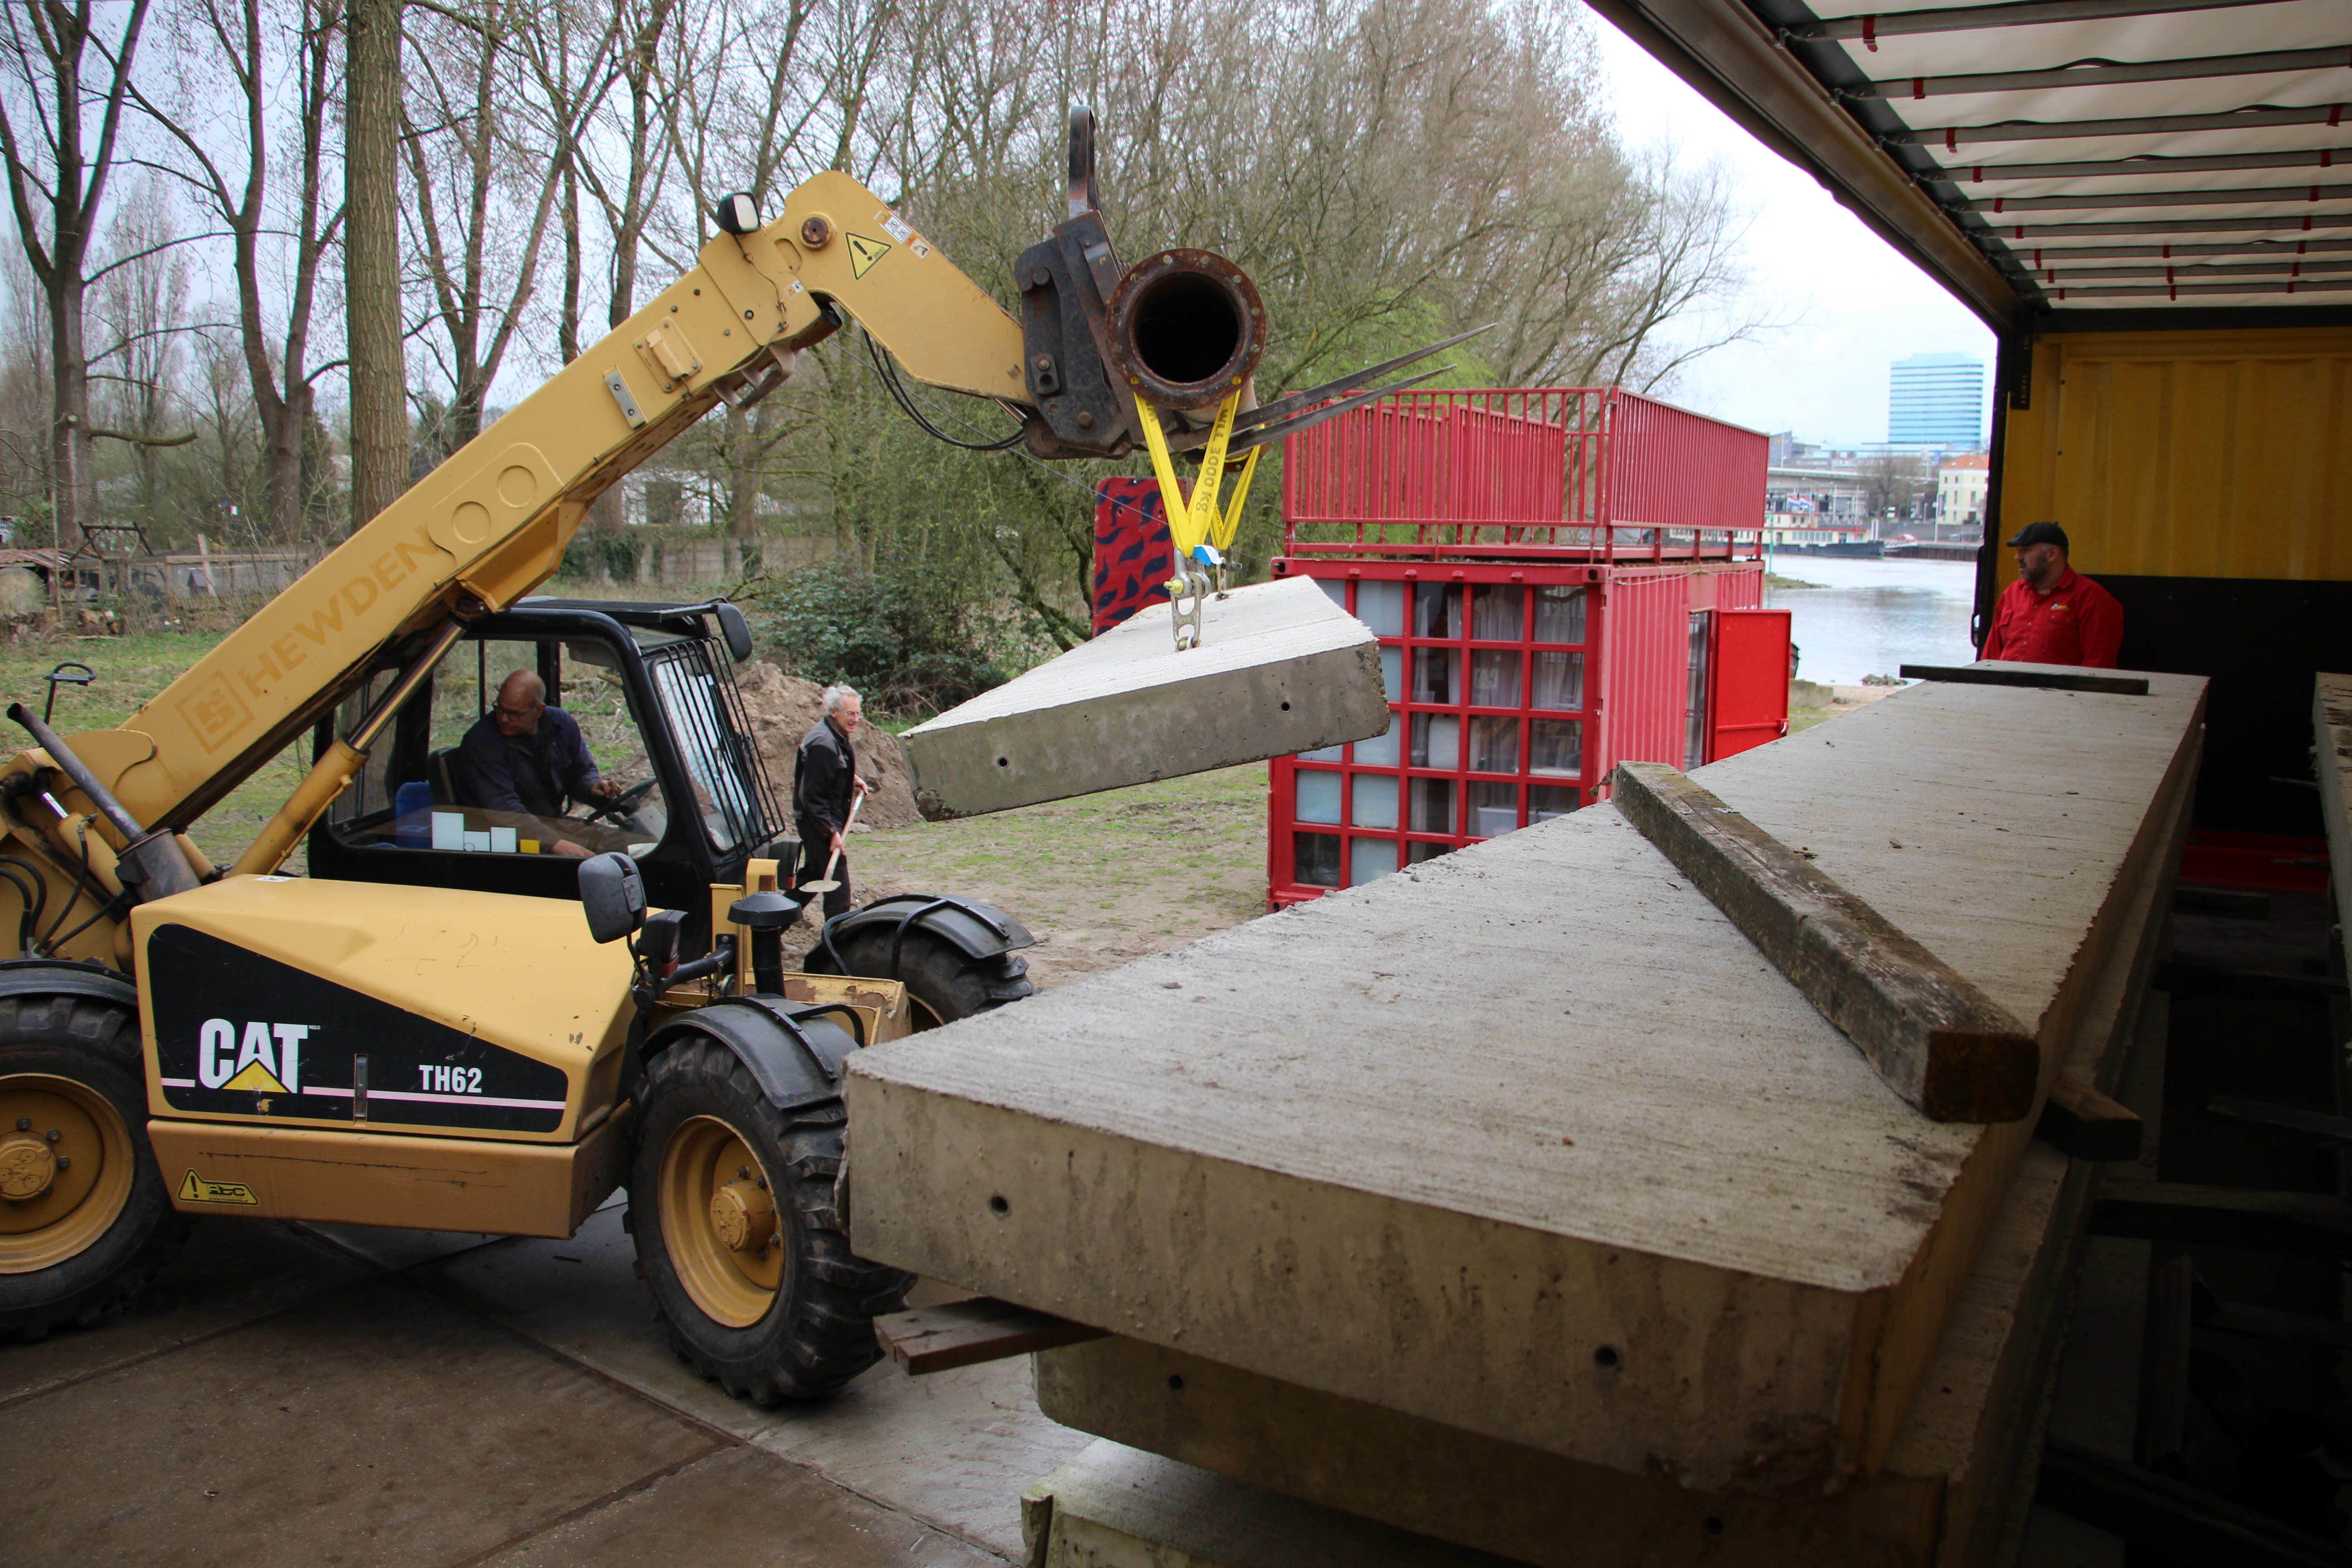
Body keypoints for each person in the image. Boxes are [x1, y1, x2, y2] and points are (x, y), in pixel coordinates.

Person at [455, 670, 625, 858]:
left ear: (539, 711)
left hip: (550, 824)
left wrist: (594, 787)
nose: (503, 718)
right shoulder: (482, 740)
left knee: (624, 844)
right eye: (499, 709)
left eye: (514, 714)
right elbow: (502, 808)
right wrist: (555, 844)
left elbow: (580, 772)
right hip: (503, 838)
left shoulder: (561, 724)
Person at [1979, 521, 2124, 669]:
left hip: (2060, 692)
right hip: (2006, 690)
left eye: (2026, 550)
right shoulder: (2013, 593)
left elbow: (2098, 667)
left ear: (2052, 554)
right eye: (2018, 551)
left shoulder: (2093, 599)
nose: (2018, 557)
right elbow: (1991, 656)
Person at [794, 684, 872, 920]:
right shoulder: (823, 743)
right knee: (839, 893)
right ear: (833, 712)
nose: (856, 719)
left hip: (824, 820)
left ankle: (770, 928)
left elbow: (830, 773)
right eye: (850, 714)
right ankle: (835, 947)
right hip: (818, 823)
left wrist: (851, 779)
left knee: (812, 877)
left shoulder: (836, 735)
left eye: (858, 714)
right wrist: (831, 833)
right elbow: (812, 796)